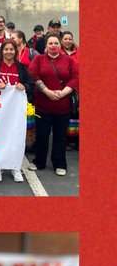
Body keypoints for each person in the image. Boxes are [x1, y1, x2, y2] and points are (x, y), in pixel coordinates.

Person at [27, 33, 78, 176]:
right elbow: (33, 75)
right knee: (42, 135)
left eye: (56, 43)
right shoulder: (38, 59)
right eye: (50, 43)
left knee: (60, 136)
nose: (53, 46)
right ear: (46, 46)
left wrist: (62, 93)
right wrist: (47, 91)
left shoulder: (69, 61)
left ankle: (59, 163)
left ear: (60, 44)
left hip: (63, 107)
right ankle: (39, 161)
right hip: (42, 105)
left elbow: (75, 79)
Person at [0, 39, 31, 183]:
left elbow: (32, 84)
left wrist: (24, 86)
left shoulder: (22, 68)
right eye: (6, 49)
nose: (9, 52)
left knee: (15, 138)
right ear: (2, 51)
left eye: (11, 49)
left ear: (15, 51)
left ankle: (15, 167)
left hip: (15, 112)